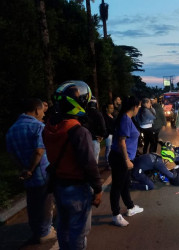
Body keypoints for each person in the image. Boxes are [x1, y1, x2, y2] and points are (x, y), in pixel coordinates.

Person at [43, 81, 102, 249]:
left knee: (63, 225)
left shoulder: (49, 128)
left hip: (59, 185)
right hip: (77, 188)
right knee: (78, 230)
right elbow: (89, 164)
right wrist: (98, 189)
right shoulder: (78, 131)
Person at [6, 98, 55, 244]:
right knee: (45, 202)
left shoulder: (12, 129)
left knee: (32, 203)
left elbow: (12, 154)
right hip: (41, 172)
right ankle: (45, 232)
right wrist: (31, 169)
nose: (43, 114)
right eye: (42, 111)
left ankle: (36, 230)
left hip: (26, 175)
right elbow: (39, 151)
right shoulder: (38, 126)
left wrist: (24, 169)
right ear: (36, 110)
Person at [110, 96, 144, 227]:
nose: (139, 109)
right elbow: (121, 142)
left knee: (124, 184)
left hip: (123, 157)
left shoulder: (127, 118)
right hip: (120, 158)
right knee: (117, 186)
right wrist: (126, 160)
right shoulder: (125, 119)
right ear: (134, 107)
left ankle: (130, 207)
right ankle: (115, 215)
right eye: (139, 106)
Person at [86, 96, 107, 164]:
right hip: (95, 139)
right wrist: (102, 135)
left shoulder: (83, 114)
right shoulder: (98, 114)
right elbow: (103, 126)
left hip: (85, 140)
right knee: (94, 161)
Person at [103, 103, 115, 168]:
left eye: (112, 108)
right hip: (109, 135)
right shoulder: (105, 117)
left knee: (111, 148)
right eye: (110, 108)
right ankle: (107, 163)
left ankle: (110, 161)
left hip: (113, 134)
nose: (112, 109)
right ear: (107, 109)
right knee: (108, 149)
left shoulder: (112, 115)